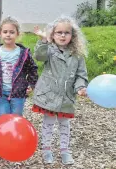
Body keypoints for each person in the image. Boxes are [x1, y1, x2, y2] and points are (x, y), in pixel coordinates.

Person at [32, 16, 88, 165]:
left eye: (66, 33)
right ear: (52, 34)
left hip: (66, 96)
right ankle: (46, 150)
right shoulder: (49, 49)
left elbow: (81, 75)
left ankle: (65, 151)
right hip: (49, 95)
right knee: (48, 123)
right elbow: (39, 56)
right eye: (59, 32)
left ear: (73, 35)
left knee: (65, 125)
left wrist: (80, 87)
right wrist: (43, 40)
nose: (63, 36)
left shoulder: (77, 55)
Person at [0, 16, 38, 116]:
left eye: (12, 32)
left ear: (17, 34)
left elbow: (33, 68)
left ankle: (16, 132)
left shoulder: (24, 53)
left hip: (18, 93)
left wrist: (31, 84)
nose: (8, 35)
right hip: (0, 93)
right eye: (5, 32)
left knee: (16, 118)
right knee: (2, 117)